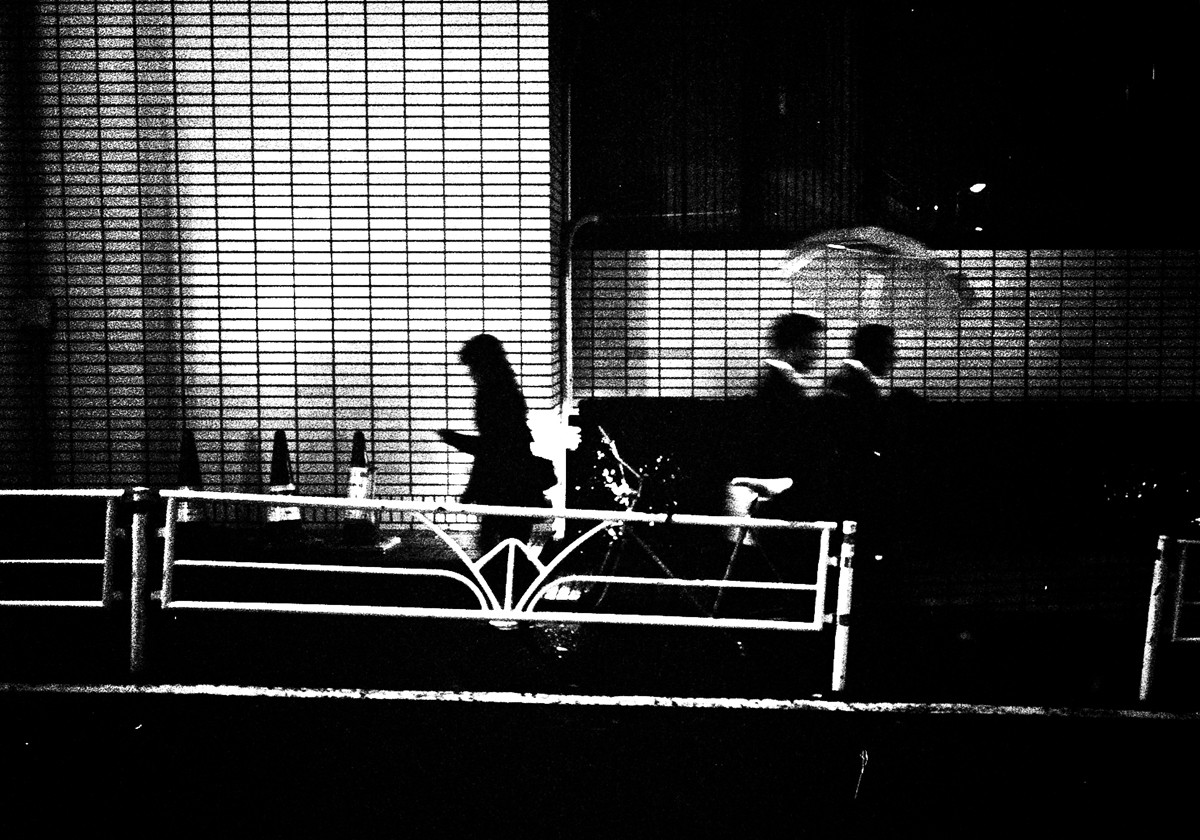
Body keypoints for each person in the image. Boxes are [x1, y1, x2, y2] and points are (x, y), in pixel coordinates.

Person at [438, 334, 550, 556]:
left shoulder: (493, 394)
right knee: (511, 545)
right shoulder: (507, 388)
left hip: (503, 484)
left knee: (499, 546)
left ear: (482, 364)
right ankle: (511, 576)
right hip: (515, 483)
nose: (471, 374)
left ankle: (503, 577)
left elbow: (494, 446)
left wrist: (455, 439)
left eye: (472, 367)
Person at [825, 323, 897, 559]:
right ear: (874, 350)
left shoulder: (851, 379)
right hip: (852, 482)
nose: (893, 357)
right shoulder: (852, 383)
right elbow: (854, 436)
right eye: (889, 349)